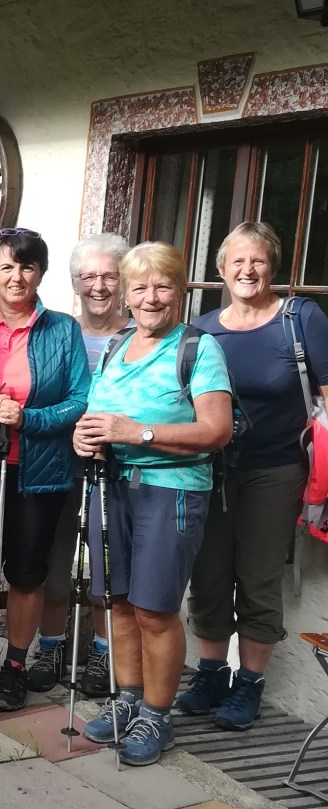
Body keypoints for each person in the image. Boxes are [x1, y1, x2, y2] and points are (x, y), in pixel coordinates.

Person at [75, 241, 232, 765]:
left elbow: (216, 430)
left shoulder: (199, 348)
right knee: (117, 601)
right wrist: (88, 437)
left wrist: (135, 431)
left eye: (162, 285)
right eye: (139, 287)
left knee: (155, 608)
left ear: (180, 289)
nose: (150, 297)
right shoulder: (118, 344)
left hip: (172, 488)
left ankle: (157, 718)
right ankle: (128, 700)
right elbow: (101, 413)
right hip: (111, 485)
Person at [181, 222, 328, 730]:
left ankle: (249, 684)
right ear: (220, 270)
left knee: (260, 577)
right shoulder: (200, 330)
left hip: (277, 468)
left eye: (258, 260)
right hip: (212, 469)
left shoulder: (301, 318)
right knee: (209, 573)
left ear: (274, 267)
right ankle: (211, 674)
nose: (248, 270)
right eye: (237, 261)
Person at [0, 228, 89, 714]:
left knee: (28, 573)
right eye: (7, 266)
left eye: (27, 267)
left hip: (39, 469)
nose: (16, 277)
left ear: (41, 273)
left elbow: (79, 399)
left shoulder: (63, 330)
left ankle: (14, 665)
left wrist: (27, 418)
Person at [27, 233, 131, 697]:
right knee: (54, 561)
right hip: (58, 466)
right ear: (74, 283)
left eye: (110, 275)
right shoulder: (59, 332)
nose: (99, 286)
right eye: (88, 276)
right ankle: (49, 644)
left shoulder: (139, 336)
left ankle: (103, 652)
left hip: (120, 470)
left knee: (110, 565)